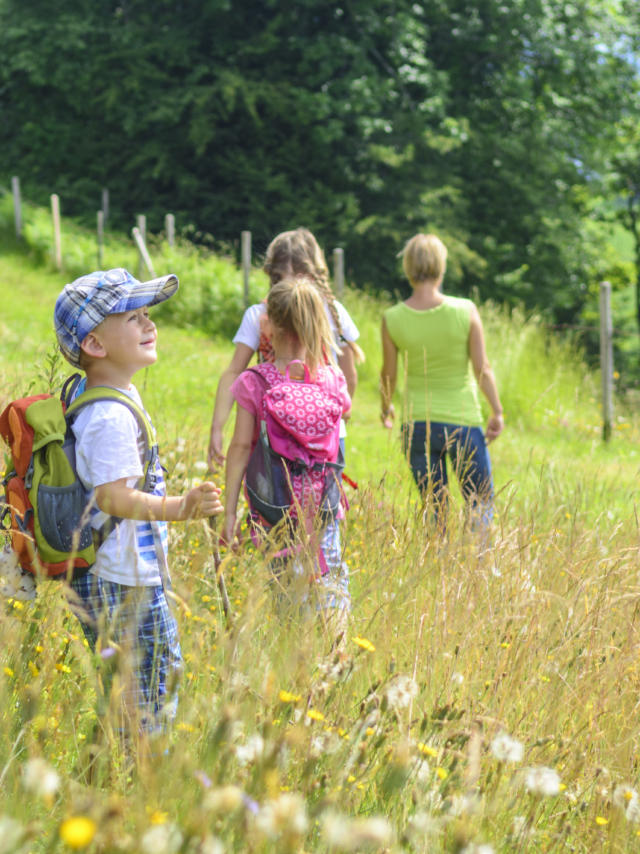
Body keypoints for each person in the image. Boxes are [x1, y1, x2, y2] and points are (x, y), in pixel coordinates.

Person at [54, 268, 223, 743]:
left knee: (131, 687)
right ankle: (140, 780)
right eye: (134, 318)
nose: (150, 325)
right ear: (95, 345)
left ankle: (113, 773)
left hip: (117, 571)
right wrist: (180, 507)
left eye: (148, 314)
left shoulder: (113, 393)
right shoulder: (108, 413)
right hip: (120, 577)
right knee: (149, 684)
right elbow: (112, 497)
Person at [224, 277, 351, 620]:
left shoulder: (256, 382)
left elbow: (238, 448)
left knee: (284, 596)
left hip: (273, 510)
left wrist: (229, 511)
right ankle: (334, 655)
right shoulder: (332, 380)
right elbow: (346, 414)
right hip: (323, 509)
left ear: (271, 326)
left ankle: (292, 662)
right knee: (330, 581)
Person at [207, 227, 361, 468]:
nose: (289, 285)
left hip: (272, 433)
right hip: (321, 436)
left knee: (271, 500)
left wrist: (218, 426)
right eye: (281, 278)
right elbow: (348, 378)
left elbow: (234, 372)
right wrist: (336, 418)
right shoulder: (333, 312)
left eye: (295, 277)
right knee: (323, 502)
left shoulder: (260, 314)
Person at [380, 233, 504, 530]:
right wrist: (497, 410)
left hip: (417, 424)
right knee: (480, 503)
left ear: (407, 267)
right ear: (442, 266)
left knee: (435, 508)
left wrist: (386, 407)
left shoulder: (392, 317)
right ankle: (480, 568)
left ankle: (438, 567)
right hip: (462, 420)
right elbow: (482, 368)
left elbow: (389, 373)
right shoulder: (465, 310)